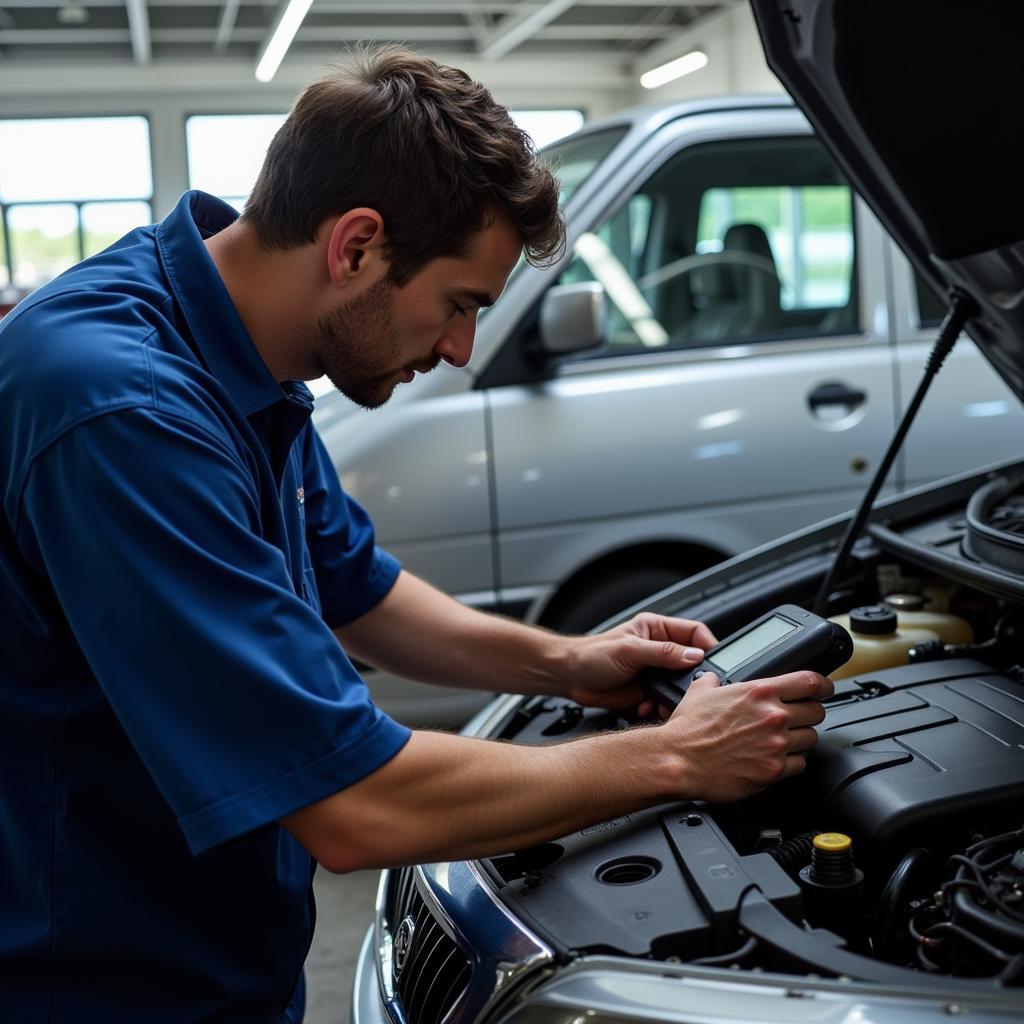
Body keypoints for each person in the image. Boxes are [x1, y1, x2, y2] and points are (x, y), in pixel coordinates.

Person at [0, 46, 832, 1022]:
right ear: (355, 245)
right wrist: (677, 758)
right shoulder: (122, 409)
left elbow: (359, 587)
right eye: (460, 304)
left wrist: (566, 662)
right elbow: (357, 807)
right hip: (97, 982)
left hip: (217, 949)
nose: (459, 348)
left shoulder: (240, 344)